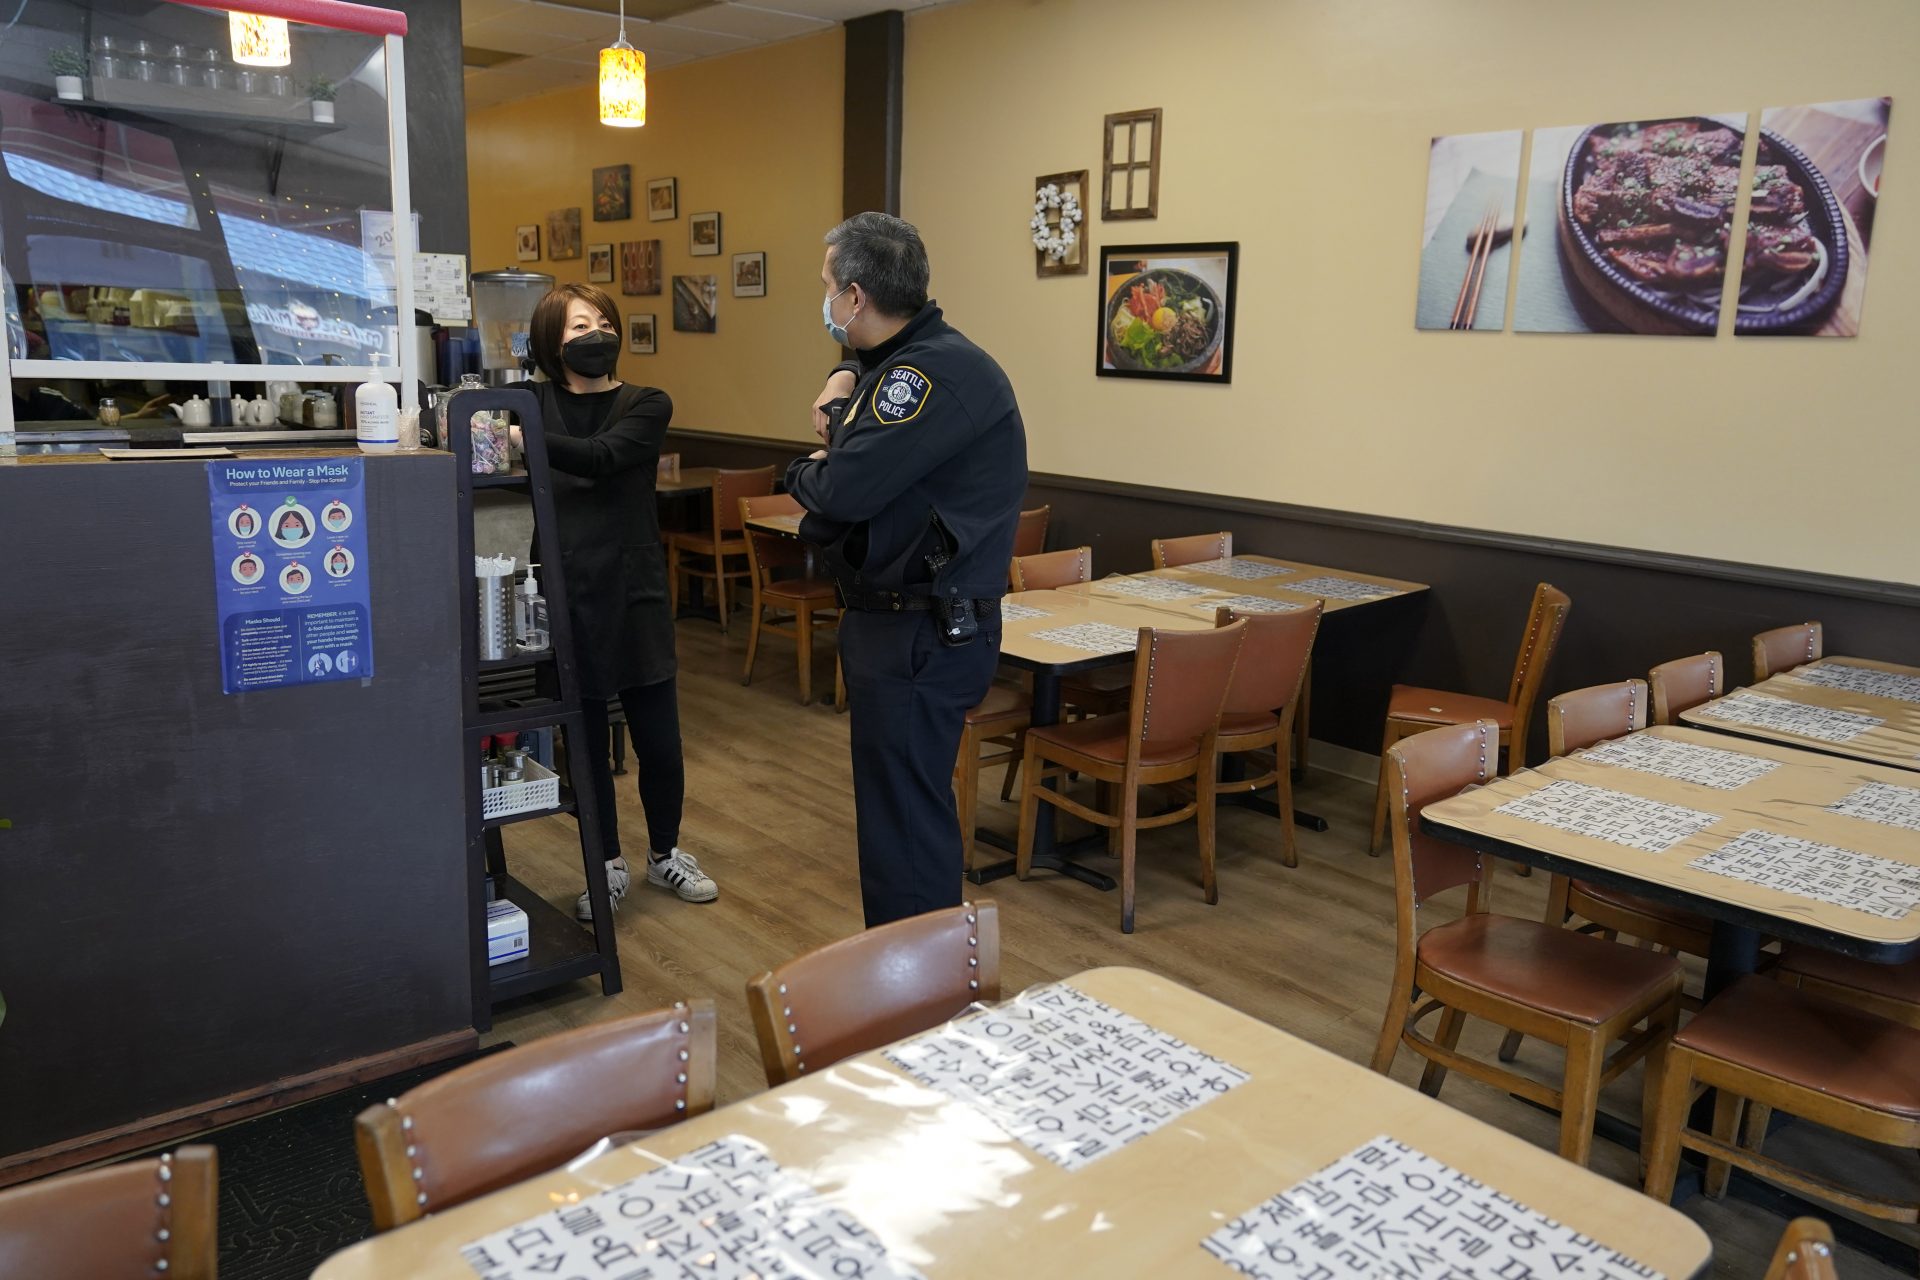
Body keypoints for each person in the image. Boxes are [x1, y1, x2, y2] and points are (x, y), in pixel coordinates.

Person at [785, 212, 1029, 928]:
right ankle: (913, 984)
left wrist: (805, 468)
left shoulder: (926, 377)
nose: (825, 301)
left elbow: (844, 491)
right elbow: (866, 395)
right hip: (907, 625)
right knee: (899, 819)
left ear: (856, 296)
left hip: (921, 632)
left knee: (907, 833)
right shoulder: (919, 358)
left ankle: (923, 1006)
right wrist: (842, 372)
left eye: (829, 287)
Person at [514, 282, 717, 917]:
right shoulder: (527, 401)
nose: (594, 334)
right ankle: (604, 863)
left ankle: (664, 855)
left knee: (659, 737)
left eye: (602, 322)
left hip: (636, 588)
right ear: (551, 339)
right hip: (564, 586)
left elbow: (603, 458)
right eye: (577, 327)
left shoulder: (646, 402)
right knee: (586, 737)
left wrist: (527, 442)